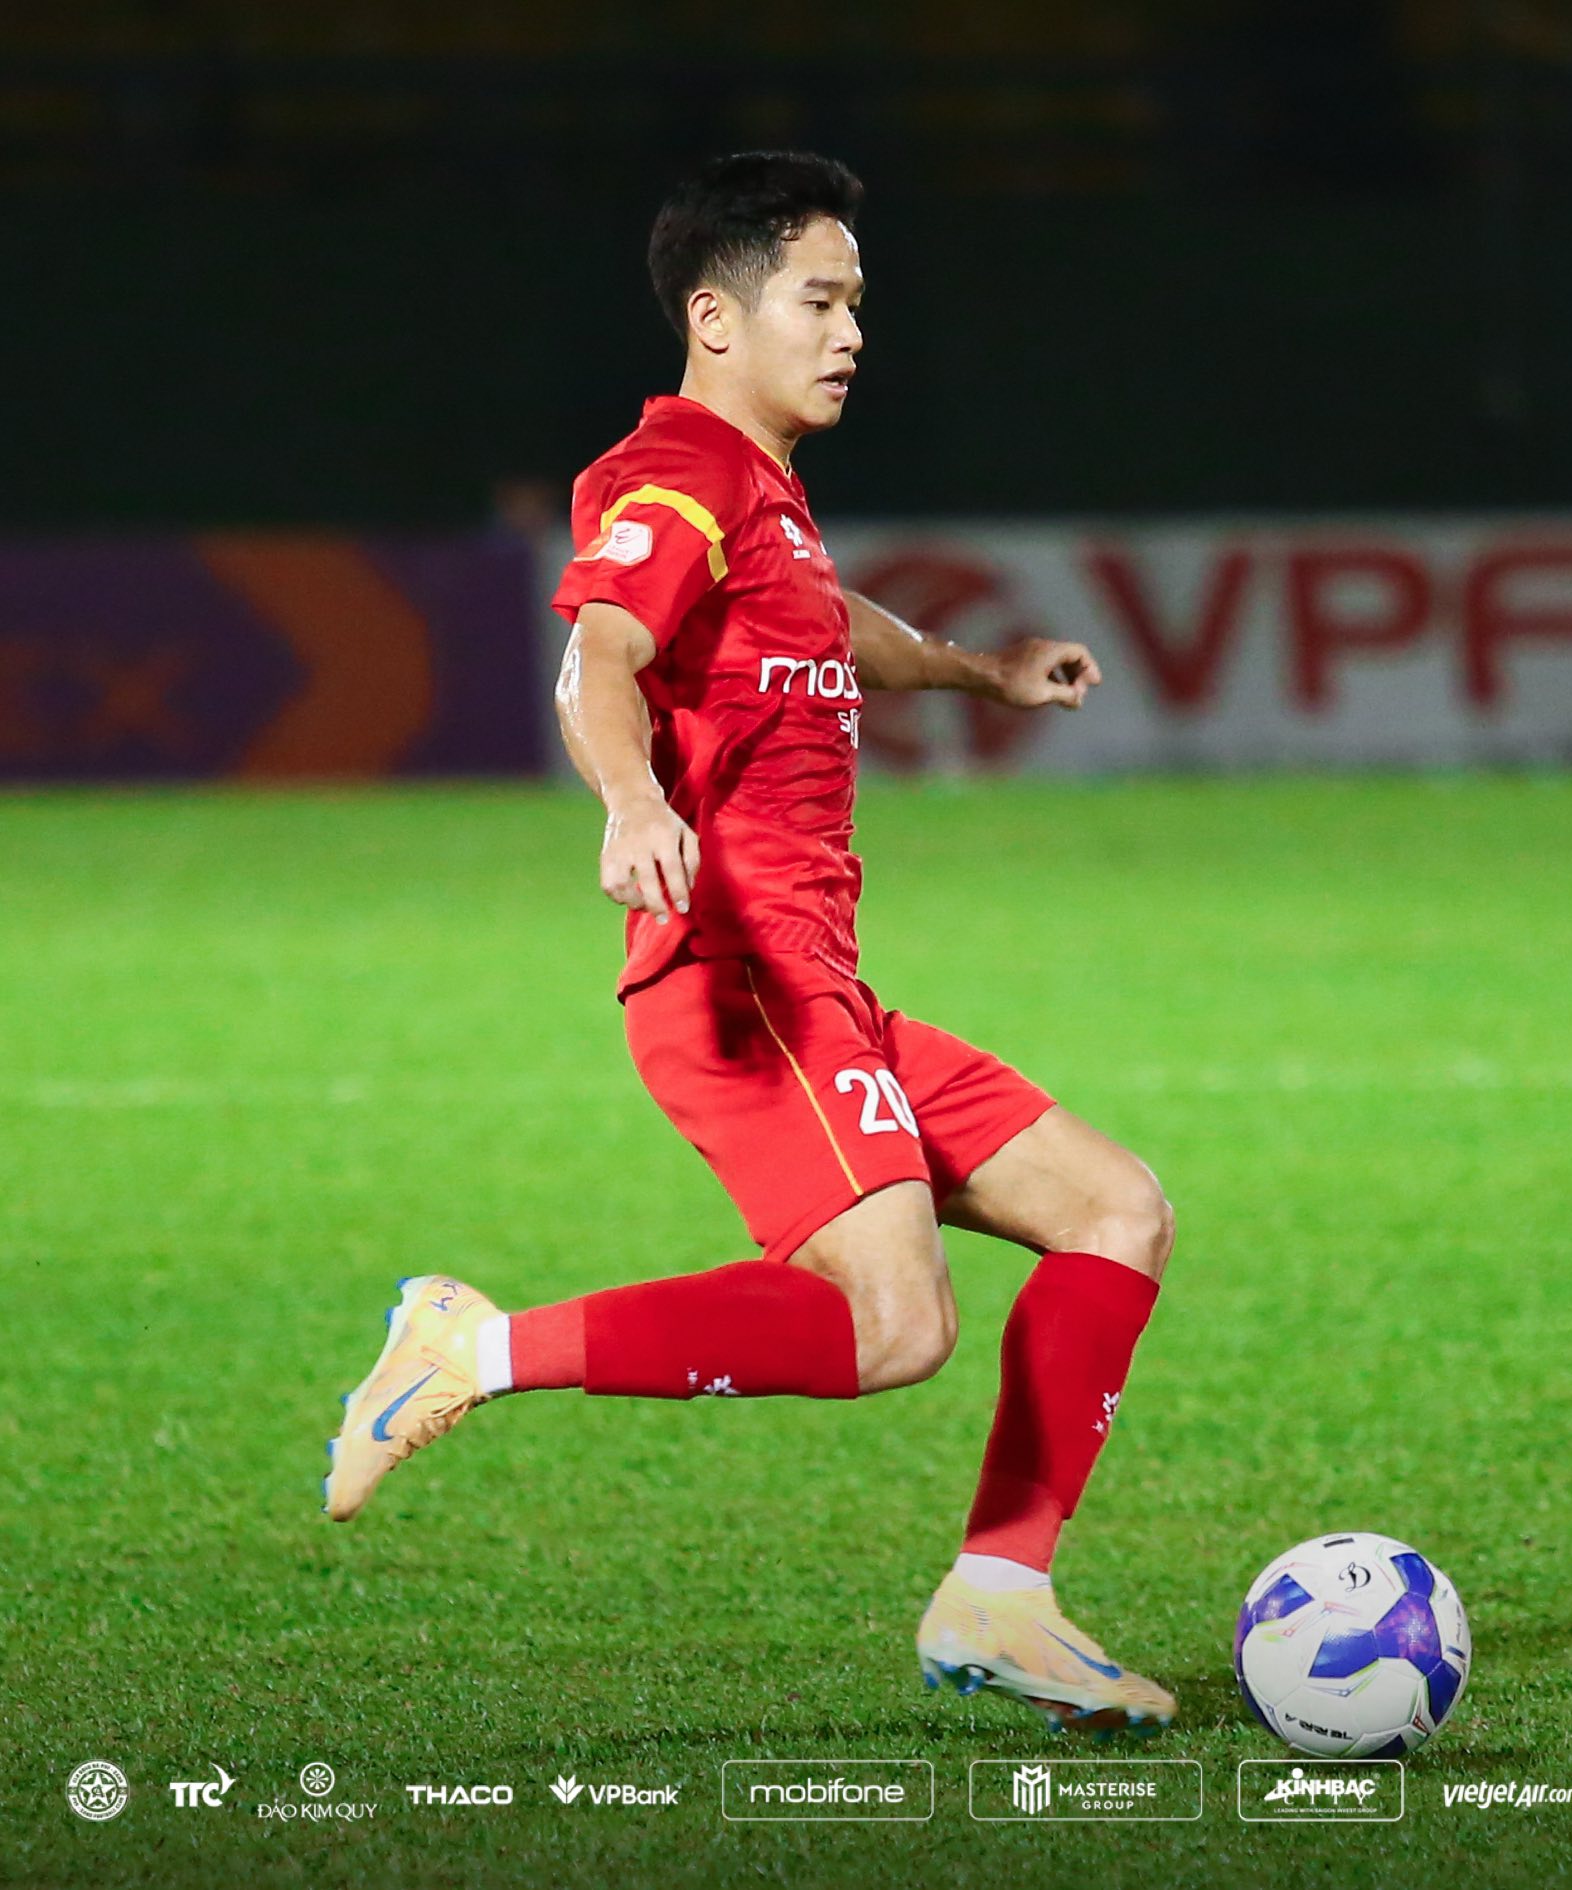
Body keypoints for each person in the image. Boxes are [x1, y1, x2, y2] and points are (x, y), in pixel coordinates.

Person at [324, 151, 1177, 1734]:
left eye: (858, 303)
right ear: (715, 318)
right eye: (819, 301)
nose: (852, 333)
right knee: (894, 1323)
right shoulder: (673, 475)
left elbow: (824, 623)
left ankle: (1000, 1594)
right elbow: (602, 652)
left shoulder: (762, 495)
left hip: (821, 986)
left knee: (1114, 1210)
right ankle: (474, 1344)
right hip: (741, 980)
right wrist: (633, 795)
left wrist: (979, 672)